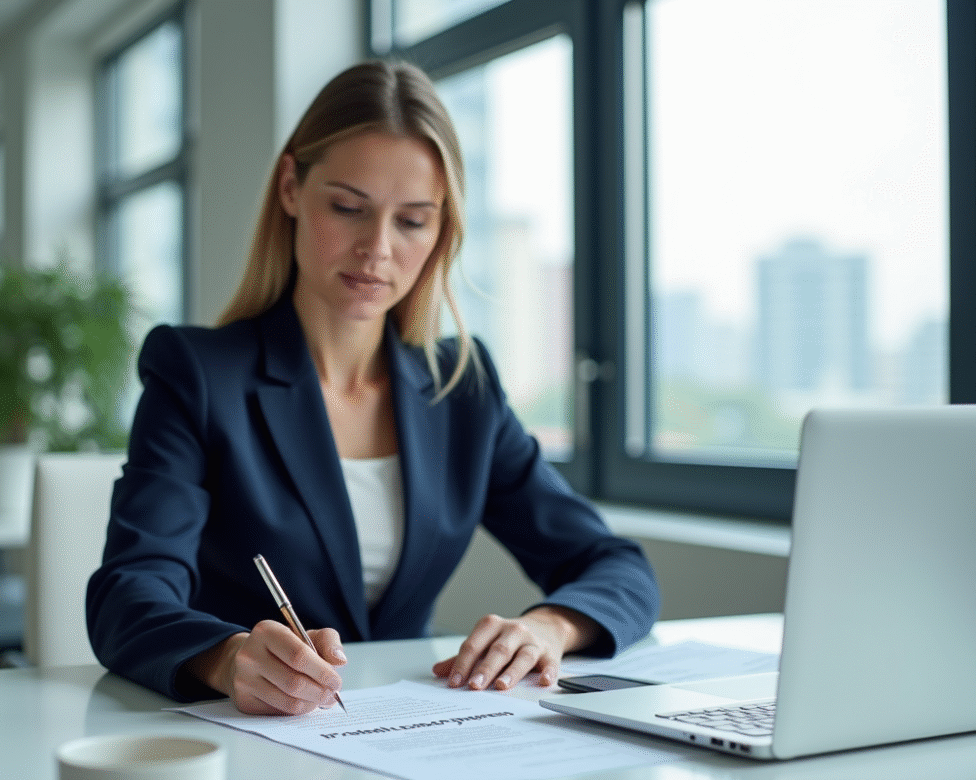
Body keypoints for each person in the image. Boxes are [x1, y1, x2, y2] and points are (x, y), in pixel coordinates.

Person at [86, 60, 660, 716]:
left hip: (409, 732)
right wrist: (226, 657)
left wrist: (550, 627)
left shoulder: (461, 388)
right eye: (348, 208)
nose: (377, 249)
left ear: (441, 230)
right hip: (243, 734)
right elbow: (127, 595)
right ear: (291, 188)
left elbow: (616, 567)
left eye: (412, 221)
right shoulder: (197, 373)